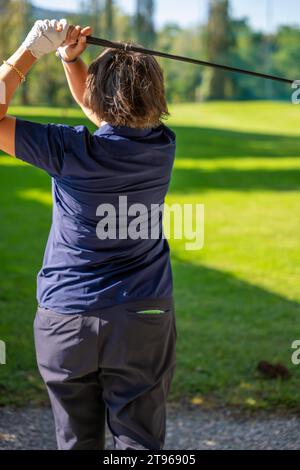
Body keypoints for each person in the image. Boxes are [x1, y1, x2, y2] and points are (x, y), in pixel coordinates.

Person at [0, 19, 177, 450]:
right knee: (139, 446)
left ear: (99, 95)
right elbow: (109, 115)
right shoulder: (161, 146)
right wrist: (71, 60)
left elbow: (101, 114)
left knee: (76, 444)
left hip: (66, 320)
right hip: (143, 319)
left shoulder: (69, 150)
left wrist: (29, 53)